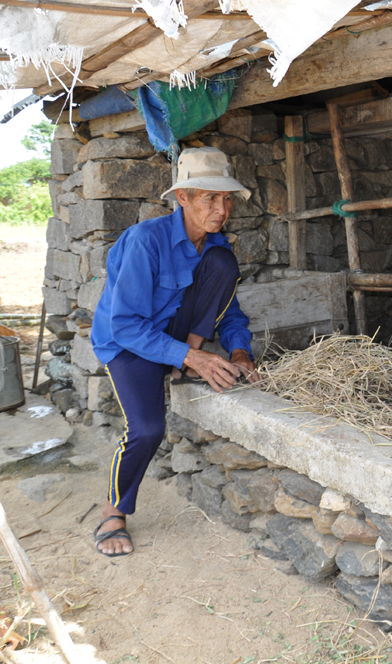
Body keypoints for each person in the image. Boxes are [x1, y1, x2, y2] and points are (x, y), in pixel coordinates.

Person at [89, 147, 258, 556]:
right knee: (147, 429)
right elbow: (125, 325)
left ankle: (184, 360)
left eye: (227, 198)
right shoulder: (145, 242)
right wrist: (192, 358)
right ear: (182, 198)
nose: (221, 209)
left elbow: (229, 310)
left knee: (223, 265)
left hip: (178, 341)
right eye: (210, 198)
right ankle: (114, 511)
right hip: (128, 343)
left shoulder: (216, 247)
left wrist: (239, 352)